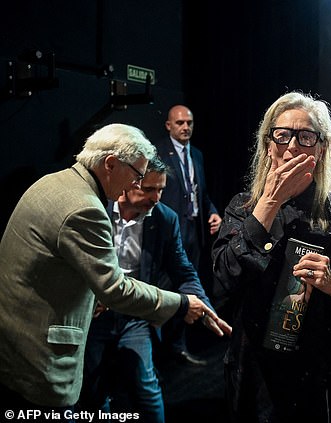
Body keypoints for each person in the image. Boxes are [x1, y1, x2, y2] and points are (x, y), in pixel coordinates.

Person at [0, 123, 223, 418]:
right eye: (138, 175)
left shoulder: (54, 182)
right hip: (43, 354)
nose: (138, 183)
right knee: (92, 396)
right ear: (111, 164)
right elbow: (115, 288)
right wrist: (181, 304)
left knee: (144, 390)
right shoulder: (86, 208)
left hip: (19, 343)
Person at [211, 91, 331, 422]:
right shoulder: (243, 207)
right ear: (268, 144)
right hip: (255, 369)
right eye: (282, 135)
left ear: (320, 148)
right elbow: (222, 280)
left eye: (305, 136)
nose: (292, 146)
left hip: (319, 370)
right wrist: (270, 202)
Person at [79, 157, 231, 421]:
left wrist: (202, 305)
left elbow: (182, 270)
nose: (156, 198)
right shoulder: (95, 209)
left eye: (160, 189)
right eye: (149, 189)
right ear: (129, 183)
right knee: (92, 391)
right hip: (95, 316)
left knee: (146, 390)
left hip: (135, 316)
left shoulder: (163, 219)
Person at [154, 104, 223, 363]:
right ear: (169, 125)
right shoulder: (158, 153)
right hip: (169, 233)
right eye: (180, 123)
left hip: (194, 232)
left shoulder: (197, 155)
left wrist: (212, 212)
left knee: (188, 289)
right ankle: (155, 350)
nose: (185, 127)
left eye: (189, 123)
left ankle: (178, 346)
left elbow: (201, 193)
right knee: (163, 289)